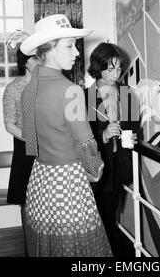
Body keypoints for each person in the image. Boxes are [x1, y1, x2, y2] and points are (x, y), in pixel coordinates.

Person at [20, 14, 112, 257]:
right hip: (68, 181)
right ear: (49, 50)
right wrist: (96, 172)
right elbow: (85, 143)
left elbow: (30, 141)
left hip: (40, 179)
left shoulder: (28, 89)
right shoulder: (69, 90)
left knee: (49, 246)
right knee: (79, 247)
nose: (77, 53)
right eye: (69, 46)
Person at [86, 42, 141, 256]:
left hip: (119, 165)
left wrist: (134, 137)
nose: (116, 73)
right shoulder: (85, 97)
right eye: (110, 68)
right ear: (98, 68)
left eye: (119, 68)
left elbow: (134, 128)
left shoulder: (128, 94)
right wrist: (104, 135)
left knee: (110, 214)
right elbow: (80, 138)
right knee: (101, 217)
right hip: (97, 167)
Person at [2, 47, 40, 255]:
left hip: (50, 145)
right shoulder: (13, 88)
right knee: (26, 199)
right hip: (25, 146)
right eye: (35, 57)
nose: (41, 60)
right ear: (25, 62)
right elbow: (9, 124)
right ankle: (31, 249)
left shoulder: (48, 85)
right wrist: (31, 138)